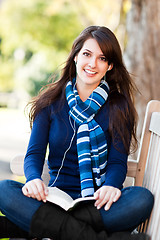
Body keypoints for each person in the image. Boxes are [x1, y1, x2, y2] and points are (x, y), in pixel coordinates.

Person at [0, 26, 154, 240]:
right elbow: (34, 155)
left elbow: (117, 162)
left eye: (102, 58)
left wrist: (110, 186)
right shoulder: (50, 103)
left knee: (141, 199)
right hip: (52, 197)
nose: (92, 64)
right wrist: (33, 179)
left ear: (109, 66)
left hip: (97, 203)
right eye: (87, 54)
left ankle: (40, 228)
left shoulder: (119, 107)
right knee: (4, 189)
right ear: (75, 57)